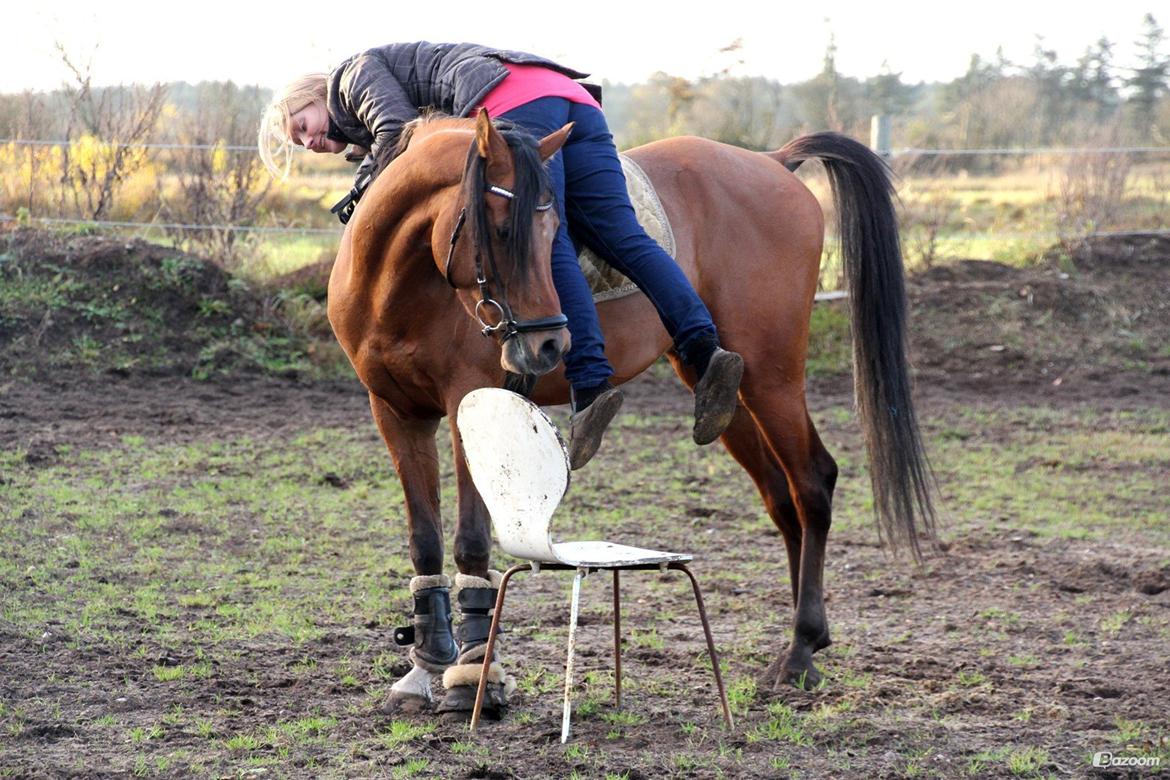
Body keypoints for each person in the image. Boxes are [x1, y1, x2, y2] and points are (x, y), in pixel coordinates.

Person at [259, 42, 743, 469]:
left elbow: (396, 131)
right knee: (625, 236)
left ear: (315, 95)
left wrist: (365, 196)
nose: (309, 141)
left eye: (303, 124)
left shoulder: (351, 75)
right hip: (571, 102)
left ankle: (591, 382)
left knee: (541, 239)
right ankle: (703, 348)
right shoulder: (361, 105)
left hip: (514, 106)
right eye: (299, 142)